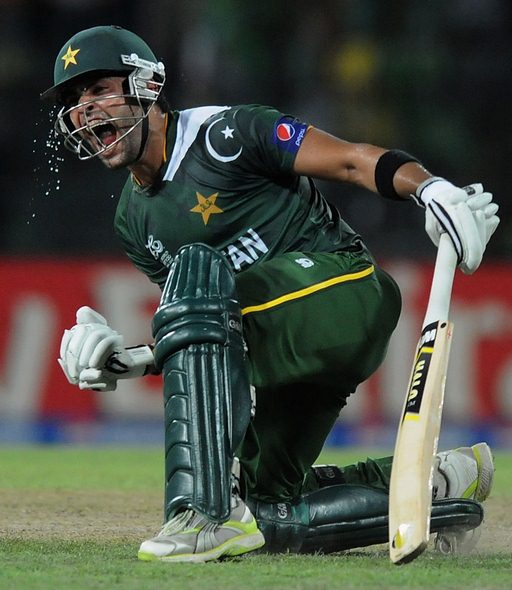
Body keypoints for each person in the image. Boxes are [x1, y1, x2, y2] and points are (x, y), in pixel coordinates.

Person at [43, 25, 499, 563]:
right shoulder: (132, 221)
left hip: (346, 293)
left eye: (97, 90)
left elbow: (352, 159)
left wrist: (429, 187)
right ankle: (445, 483)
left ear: (145, 83)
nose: (84, 110)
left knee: (199, 268)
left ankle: (204, 515)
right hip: (282, 347)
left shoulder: (227, 133)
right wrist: (133, 361)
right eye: (74, 101)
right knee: (267, 514)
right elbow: (207, 343)